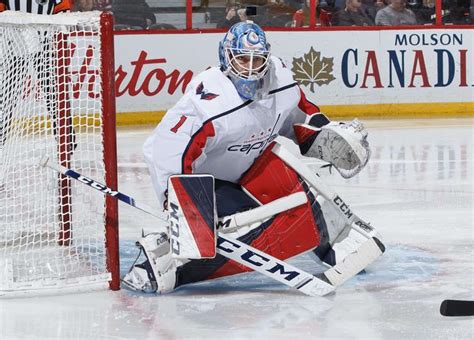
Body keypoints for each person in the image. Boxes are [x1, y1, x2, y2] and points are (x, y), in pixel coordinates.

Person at [122, 21, 373, 294]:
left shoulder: (280, 78)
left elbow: (299, 114)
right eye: (243, 59)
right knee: (254, 238)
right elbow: (165, 151)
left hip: (251, 167)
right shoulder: (208, 104)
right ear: (226, 57)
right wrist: (183, 208)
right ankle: (168, 269)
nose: (251, 68)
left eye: (258, 59)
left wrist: (324, 132)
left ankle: (336, 242)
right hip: (209, 182)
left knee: (298, 185)